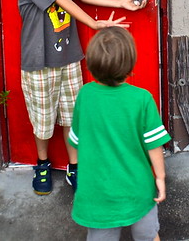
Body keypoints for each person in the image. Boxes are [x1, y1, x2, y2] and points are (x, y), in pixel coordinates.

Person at [14, 0, 148, 196]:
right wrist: (94, 23)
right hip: (38, 59)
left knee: (71, 115)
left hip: (68, 56)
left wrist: (121, 3)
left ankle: (74, 167)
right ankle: (42, 163)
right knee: (43, 119)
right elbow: (62, 1)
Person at [69, 26, 170, 241]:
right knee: (149, 236)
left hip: (97, 194)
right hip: (138, 190)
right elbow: (154, 146)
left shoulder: (85, 95)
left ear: (92, 63)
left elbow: (76, 141)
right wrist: (160, 177)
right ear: (130, 63)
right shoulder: (142, 99)